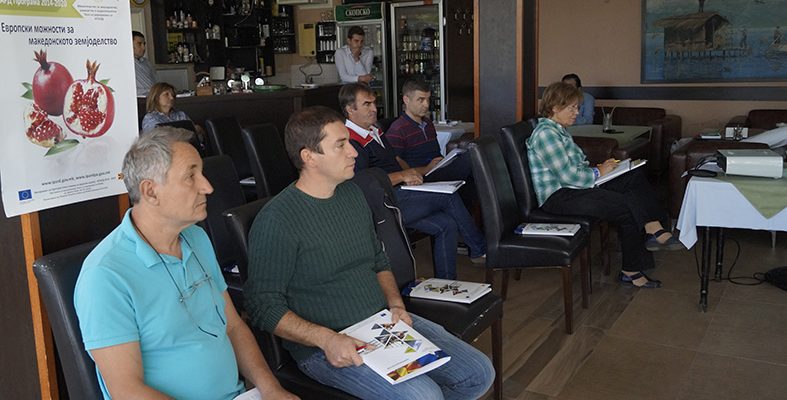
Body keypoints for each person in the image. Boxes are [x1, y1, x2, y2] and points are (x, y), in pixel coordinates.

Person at [243, 106, 494, 399]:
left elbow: (378, 259)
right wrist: (326, 339)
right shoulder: (278, 219)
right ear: (309, 157)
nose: (353, 152)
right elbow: (262, 306)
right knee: (424, 396)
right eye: (340, 145)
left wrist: (396, 305)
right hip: (325, 345)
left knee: (478, 373)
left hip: (381, 323)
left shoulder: (352, 194)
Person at [74, 127, 297, 400]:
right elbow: (126, 391)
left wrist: (271, 389)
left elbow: (233, 326)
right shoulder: (105, 275)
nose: (208, 187)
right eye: (191, 176)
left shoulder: (195, 238)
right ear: (151, 191)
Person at [527, 82, 683, 289]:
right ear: (555, 107)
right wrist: (599, 172)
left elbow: (575, 168)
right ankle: (632, 268)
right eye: (572, 108)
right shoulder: (546, 134)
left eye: (577, 107)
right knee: (625, 205)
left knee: (633, 177)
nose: (577, 113)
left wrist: (600, 169)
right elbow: (569, 176)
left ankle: (653, 227)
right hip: (560, 197)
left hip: (576, 188)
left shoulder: (558, 130)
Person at [340, 82, 486, 279]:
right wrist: (402, 176)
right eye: (367, 104)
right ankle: (479, 249)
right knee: (447, 196)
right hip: (383, 206)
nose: (374, 109)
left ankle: (446, 284)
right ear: (350, 109)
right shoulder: (350, 140)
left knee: (447, 223)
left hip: (400, 195)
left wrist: (411, 174)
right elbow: (363, 184)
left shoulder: (374, 131)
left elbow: (393, 162)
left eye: (374, 102)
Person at [386, 79, 473, 184]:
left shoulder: (428, 124)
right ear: (406, 100)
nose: (426, 105)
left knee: (470, 155)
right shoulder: (397, 130)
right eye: (421, 100)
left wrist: (444, 161)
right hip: (422, 177)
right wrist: (427, 169)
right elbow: (398, 169)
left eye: (428, 99)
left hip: (437, 169)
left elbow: (436, 153)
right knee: (470, 160)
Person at [133, 31, 157, 96]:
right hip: (139, 98)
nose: (143, 48)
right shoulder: (125, 65)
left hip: (153, 97)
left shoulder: (147, 63)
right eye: (139, 44)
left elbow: (155, 82)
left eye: (144, 44)